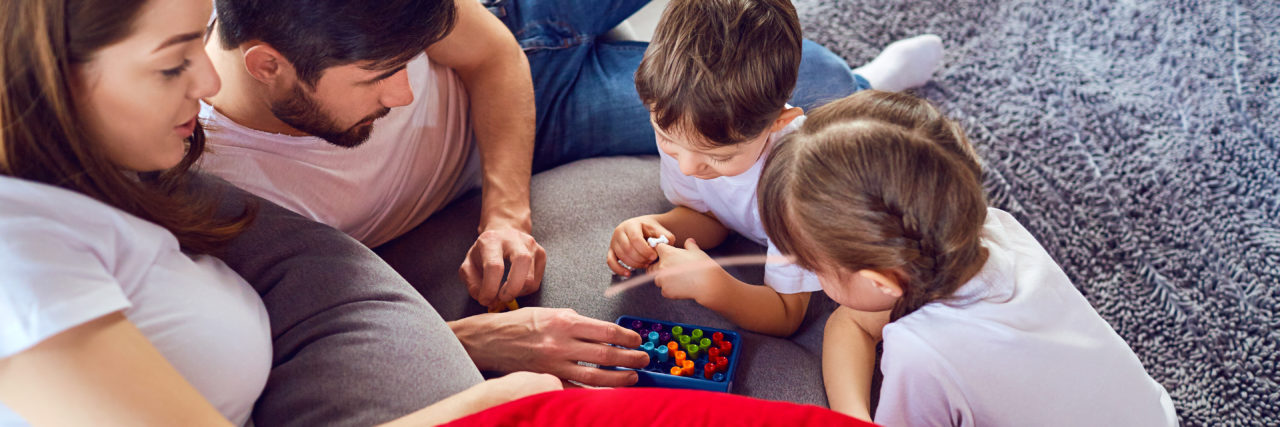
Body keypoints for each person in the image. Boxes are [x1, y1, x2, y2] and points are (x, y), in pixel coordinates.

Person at [0, 0, 561, 424]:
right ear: (52, 78)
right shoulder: (25, 269)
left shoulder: (89, 182)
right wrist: (483, 404)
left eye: (201, 42)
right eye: (173, 64)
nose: (211, 82)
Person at [195, 0, 872, 309]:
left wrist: (507, 217)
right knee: (829, 89)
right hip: (547, 126)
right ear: (268, 67)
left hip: (512, 25)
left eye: (413, 60)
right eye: (380, 75)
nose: (407, 92)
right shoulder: (226, 190)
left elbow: (488, 53)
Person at [756, 90, 1179, 425]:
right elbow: (851, 321)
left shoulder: (923, 354)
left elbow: (857, 323)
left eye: (814, 269)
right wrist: (853, 416)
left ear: (882, 281)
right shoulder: (996, 230)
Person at [605, 0, 943, 336]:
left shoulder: (800, 187)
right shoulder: (684, 129)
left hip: (837, 168)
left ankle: (869, 83)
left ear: (778, 123)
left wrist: (716, 287)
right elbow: (711, 217)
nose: (689, 166)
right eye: (666, 141)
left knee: (857, 122)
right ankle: (865, 80)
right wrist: (657, 227)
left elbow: (786, 312)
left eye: (719, 157)